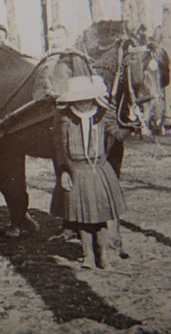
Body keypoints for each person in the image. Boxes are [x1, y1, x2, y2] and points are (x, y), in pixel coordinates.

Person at [53, 75, 129, 269]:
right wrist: (64, 172)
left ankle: (102, 255)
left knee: (100, 215)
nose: (84, 103)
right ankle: (88, 256)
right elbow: (60, 149)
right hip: (77, 171)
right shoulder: (64, 118)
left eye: (87, 98)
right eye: (79, 99)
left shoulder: (103, 115)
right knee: (83, 217)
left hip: (99, 170)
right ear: (73, 100)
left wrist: (132, 122)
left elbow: (119, 135)